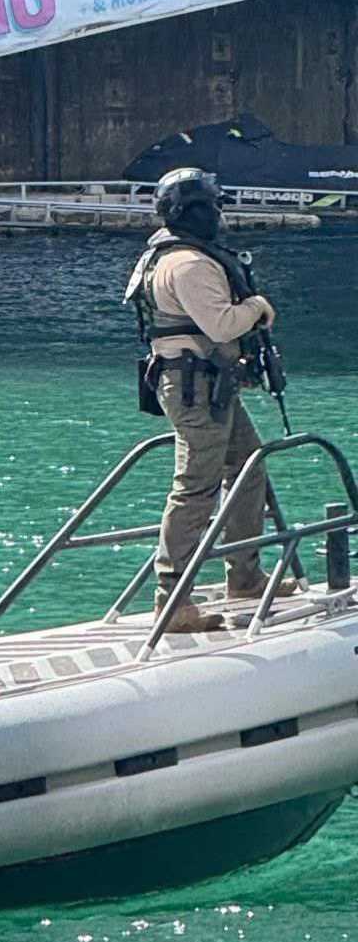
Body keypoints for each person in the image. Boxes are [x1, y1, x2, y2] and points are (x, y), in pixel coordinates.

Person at [124, 167, 296, 633]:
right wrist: (258, 308)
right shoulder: (190, 263)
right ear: (197, 211)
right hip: (195, 389)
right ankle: (173, 599)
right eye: (213, 205)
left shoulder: (166, 256)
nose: (219, 214)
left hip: (202, 385)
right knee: (195, 488)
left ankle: (245, 575)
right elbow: (222, 325)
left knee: (247, 466)